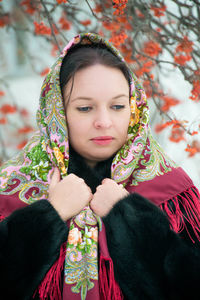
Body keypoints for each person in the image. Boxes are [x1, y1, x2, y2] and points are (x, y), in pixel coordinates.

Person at [0, 32, 200, 300]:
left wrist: (132, 219)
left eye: (118, 106)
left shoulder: (172, 192)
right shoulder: (12, 188)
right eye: (85, 108)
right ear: (57, 112)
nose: (104, 121)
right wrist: (47, 216)